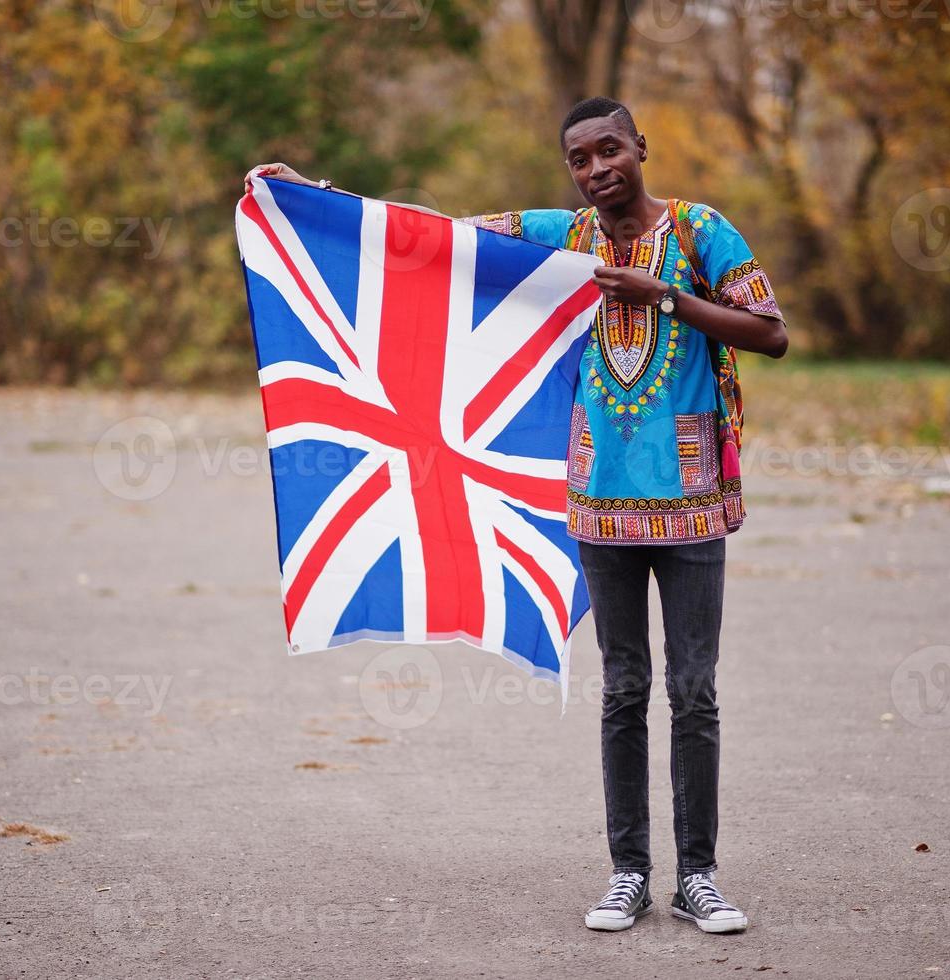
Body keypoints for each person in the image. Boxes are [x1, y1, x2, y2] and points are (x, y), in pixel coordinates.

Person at [247, 95, 787, 935]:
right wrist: (316, 196)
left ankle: (700, 877)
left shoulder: (697, 233)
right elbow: (435, 237)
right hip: (597, 503)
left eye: (611, 149)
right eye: (580, 159)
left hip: (689, 505)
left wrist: (663, 297)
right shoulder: (562, 237)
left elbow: (769, 333)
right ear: (570, 171)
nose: (599, 168)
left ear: (640, 146)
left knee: (693, 692)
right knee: (622, 690)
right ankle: (628, 873)